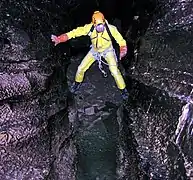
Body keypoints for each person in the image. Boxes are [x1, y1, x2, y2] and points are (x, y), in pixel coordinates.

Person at [51, 11, 129, 100]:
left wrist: (123, 49)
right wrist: (60, 38)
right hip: (94, 51)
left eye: (101, 25)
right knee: (81, 68)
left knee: (115, 71)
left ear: (104, 22)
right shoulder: (89, 28)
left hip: (108, 51)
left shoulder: (111, 29)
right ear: (94, 24)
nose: (100, 28)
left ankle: (123, 90)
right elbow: (75, 32)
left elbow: (121, 41)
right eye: (98, 26)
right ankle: (77, 83)